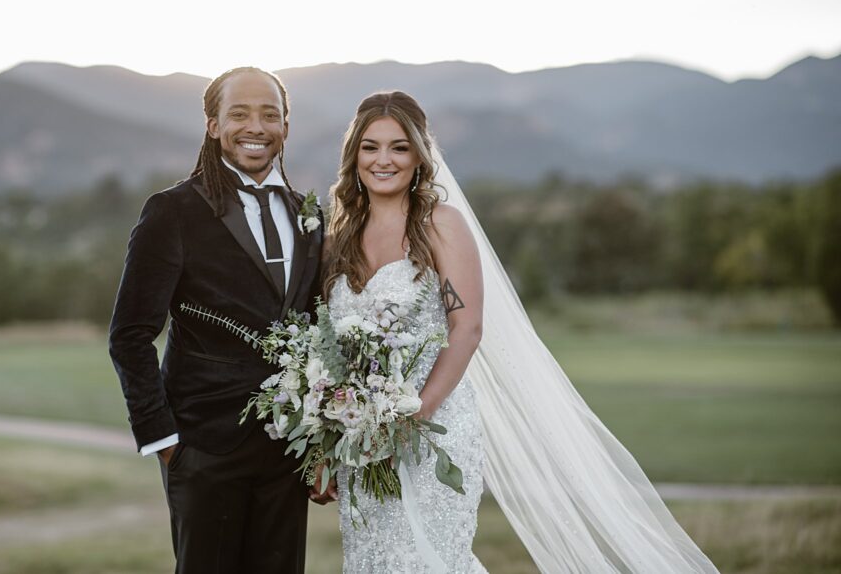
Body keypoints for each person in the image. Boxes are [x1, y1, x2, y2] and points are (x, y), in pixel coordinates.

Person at [318, 91, 720, 573]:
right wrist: (331, 443)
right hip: (361, 442)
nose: (384, 159)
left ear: (420, 156)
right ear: (354, 154)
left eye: (399, 147)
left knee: (428, 561)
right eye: (370, 146)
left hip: (433, 431)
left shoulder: (440, 225)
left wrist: (410, 417)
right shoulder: (336, 235)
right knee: (372, 561)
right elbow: (328, 347)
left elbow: (466, 328)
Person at [108, 67, 323, 574]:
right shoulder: (172, 211)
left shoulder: (308, 215)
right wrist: (166, 445)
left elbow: (314, 327)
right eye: (239, 113)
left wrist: (320, 441)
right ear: (212, 124)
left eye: (270, 115)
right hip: (202, 449)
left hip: (287, 454)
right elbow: (130, 336)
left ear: (286, 128)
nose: (256, 126)